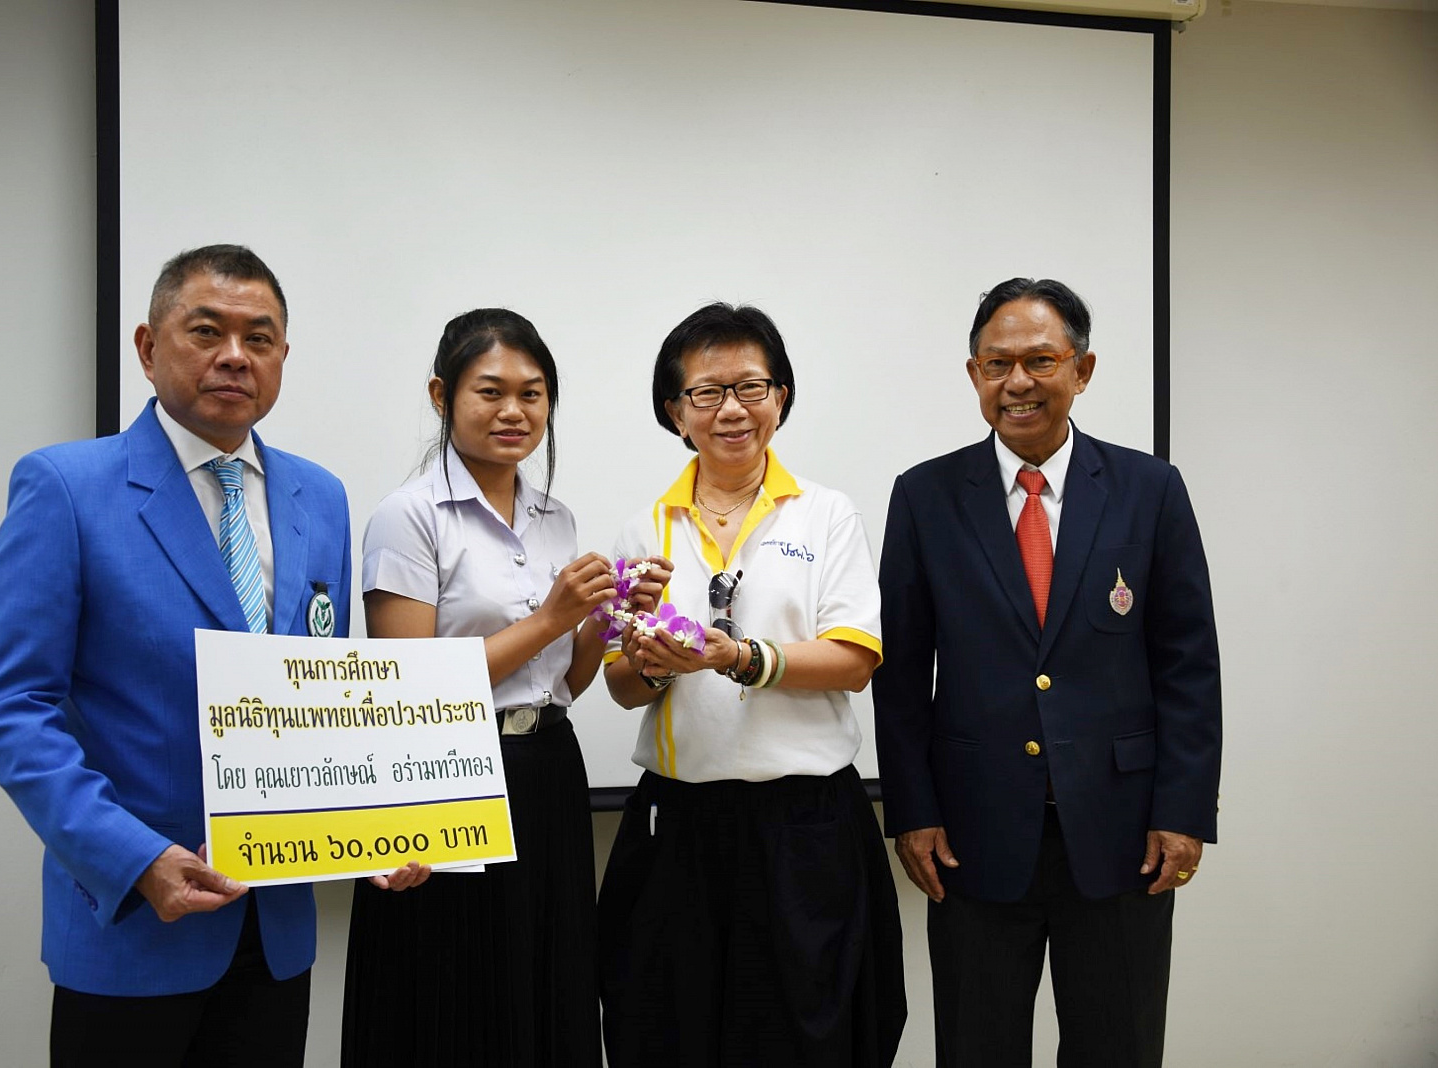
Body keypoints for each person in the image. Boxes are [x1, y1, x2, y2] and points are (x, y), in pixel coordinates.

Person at [0, 245, 423, 1067]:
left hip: (276, 930)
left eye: (259, 338)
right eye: (207, 331)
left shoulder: (319, 495)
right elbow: (9, 707)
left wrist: (379, 824)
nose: (235, 356)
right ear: (148, 348)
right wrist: (135, 859)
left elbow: (326, 695)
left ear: (283, 357)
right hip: (136, 924)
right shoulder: (66, 487)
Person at [874, 278, 1222, 1067]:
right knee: (978, 1047)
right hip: (974, 836)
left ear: (1082, 369)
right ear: (974, 375)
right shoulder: (925, 497)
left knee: (1118, 1048)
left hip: (1124, 835)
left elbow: (1189, 665)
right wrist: (912, 812)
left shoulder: (1149, 490)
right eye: (997, 364)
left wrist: (1184, 809)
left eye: (1040, 360)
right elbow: (902, 678)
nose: (1017, 383)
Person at [598, 302, 907, 1068]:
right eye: (707, 392)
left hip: (806, 829)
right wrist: (653, 661)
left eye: (751, 387)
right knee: (670, 1035)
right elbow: (622, 686)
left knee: (811, 1041)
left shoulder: (827, 515)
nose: (731, 410)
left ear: (781, 397)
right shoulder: (642, 531)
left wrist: (739, 658)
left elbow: (855, 659)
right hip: (679, 830)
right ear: (675, 412)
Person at [340, 308, 623, 1067]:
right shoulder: (408, 517)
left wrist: (604, 618)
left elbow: (561, 682)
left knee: (546, 987)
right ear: (442, 395)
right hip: (449, 770)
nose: (513, 411)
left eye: (532, 394)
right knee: (456, 999)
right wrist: (552, 615)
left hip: (548, 769)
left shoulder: (554, 517)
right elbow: (409, 689)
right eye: (490, 391)